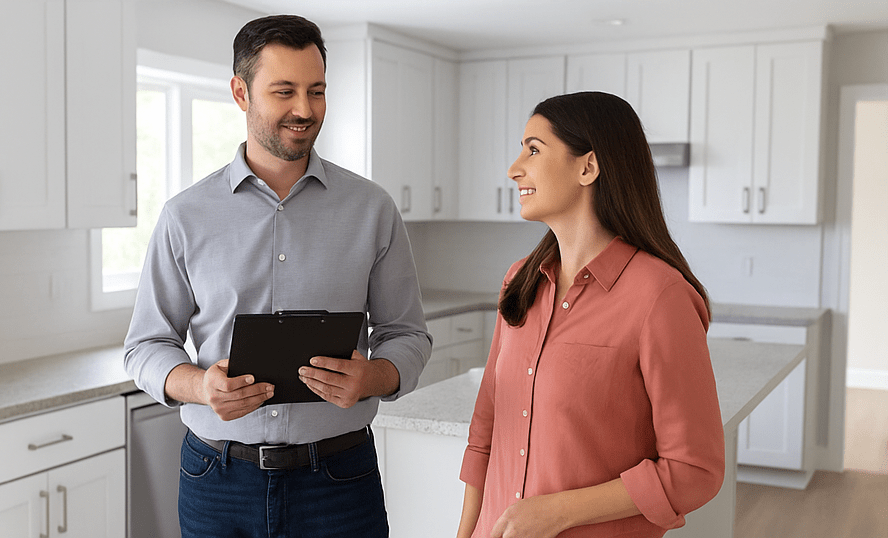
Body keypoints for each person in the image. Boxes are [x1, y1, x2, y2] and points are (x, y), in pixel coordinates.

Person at [123, 14, 431, 538]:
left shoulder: (372, 210)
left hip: (339, 479)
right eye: (284, 91)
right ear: (240, 93)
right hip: (217, 481)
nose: (305, 110)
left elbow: (408, 336)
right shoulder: (184, 215)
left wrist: (372, 377)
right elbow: (146, 346)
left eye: (317, 91)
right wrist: (201, 386)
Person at [456, 92, 726, 538]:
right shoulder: (519, 281)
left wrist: (559, 511)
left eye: (534, 149)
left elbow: (695, 469)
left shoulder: (660, 297)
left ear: (588, 167)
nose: (514, 167)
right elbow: (486, 430)